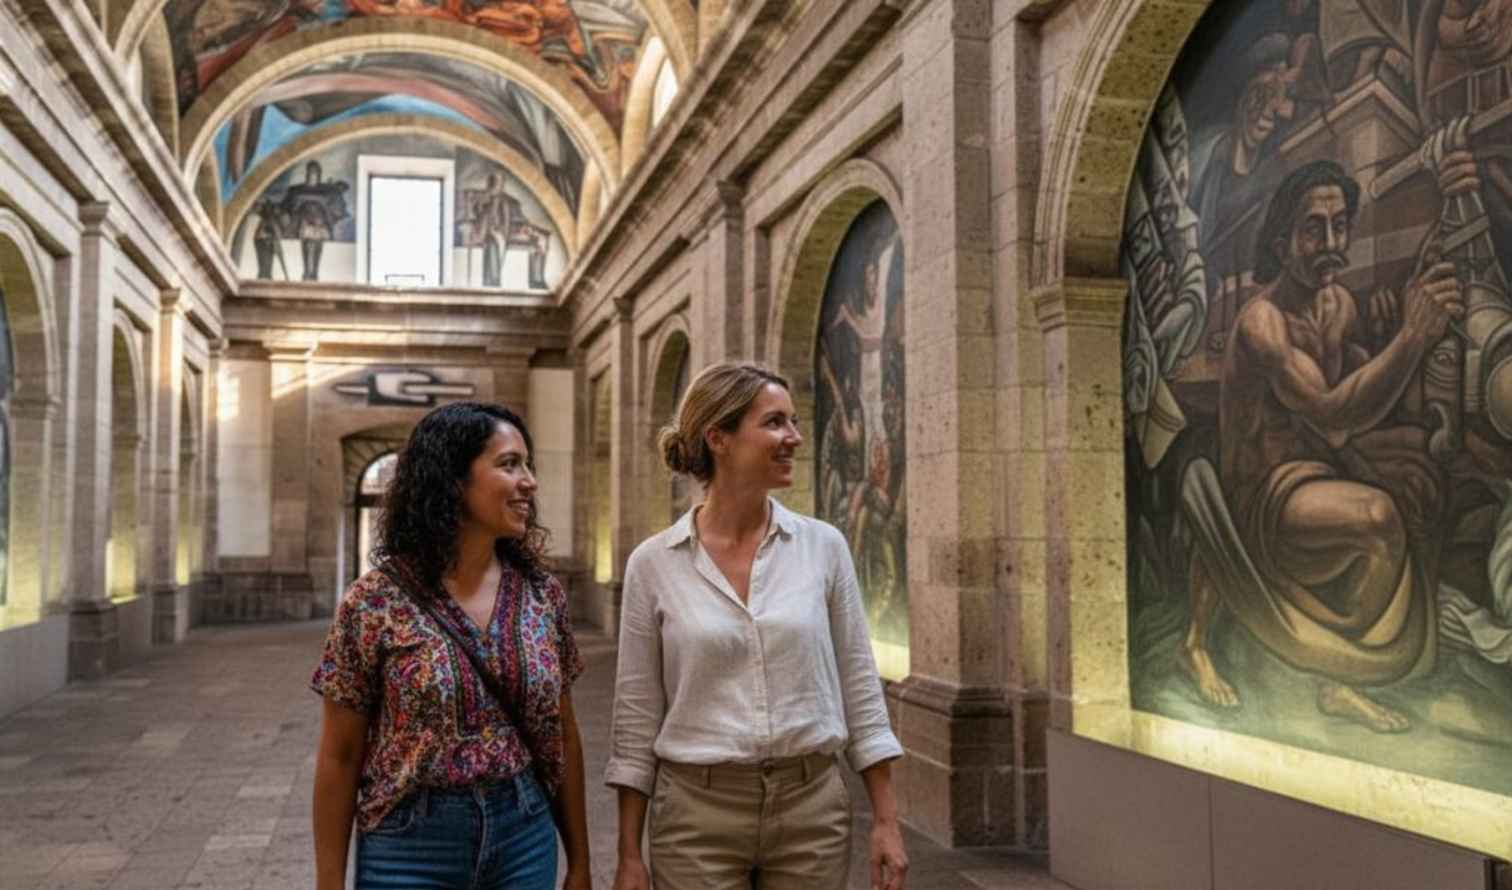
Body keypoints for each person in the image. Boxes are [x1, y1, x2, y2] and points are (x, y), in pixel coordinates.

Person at [1182, 161, 1462, 731]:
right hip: (1261, 497)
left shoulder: (1340, 307)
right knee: (1380, 518)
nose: (1332, 243)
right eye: (1314, 229)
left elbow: (1360, 388)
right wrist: (1411, 337)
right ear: (1283, 242)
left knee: (1420, 480)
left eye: (1341, 226)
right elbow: (1335, 417)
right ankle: (1306, 662)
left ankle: (1336, 673)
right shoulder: (1262, 324)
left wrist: (1390, 333)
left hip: (1319, 469)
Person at [607, 362, 908, 890]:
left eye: (792, 421)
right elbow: (636, 718)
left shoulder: (824, 548)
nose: (794, 437)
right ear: (718, 437)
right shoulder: (654, 563)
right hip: (695, 816)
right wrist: (629, 853)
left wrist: (886, 820)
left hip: (811, 811)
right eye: (774, 423)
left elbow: (860, 688)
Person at [310, 401, 591, 890]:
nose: (530, 481)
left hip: (525, 834)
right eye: (509, 464)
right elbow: (339, 753)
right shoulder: (374, 601)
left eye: (528, 465)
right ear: (452, 480)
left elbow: (562, 732)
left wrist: (581, 863)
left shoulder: (542, 595)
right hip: (410, 844)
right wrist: (329, 882)